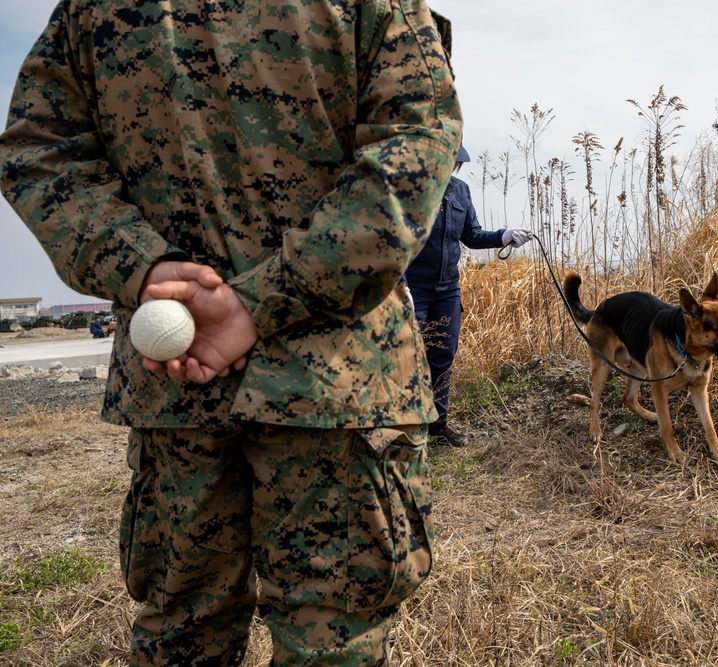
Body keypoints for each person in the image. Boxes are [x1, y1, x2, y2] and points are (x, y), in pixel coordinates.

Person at [0, 0, 461, 665]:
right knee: (330, 643)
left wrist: (145, 267)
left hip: (188, 377)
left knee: (182, 637)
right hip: (334, 384)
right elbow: (415, 144)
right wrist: (265, 297)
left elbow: (40, 152)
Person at [404, 146, 532, 447]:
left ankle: (437, 428)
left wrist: (504, 236)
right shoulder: (410, 190)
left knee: (442, 356)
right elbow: (396, 241)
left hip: (447, 289)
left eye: (454, 162)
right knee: (409, 357)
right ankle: (404, 431)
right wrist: (402, 286)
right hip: (414, 288)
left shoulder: (460, 191)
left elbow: (471, 236)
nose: (450, 167)